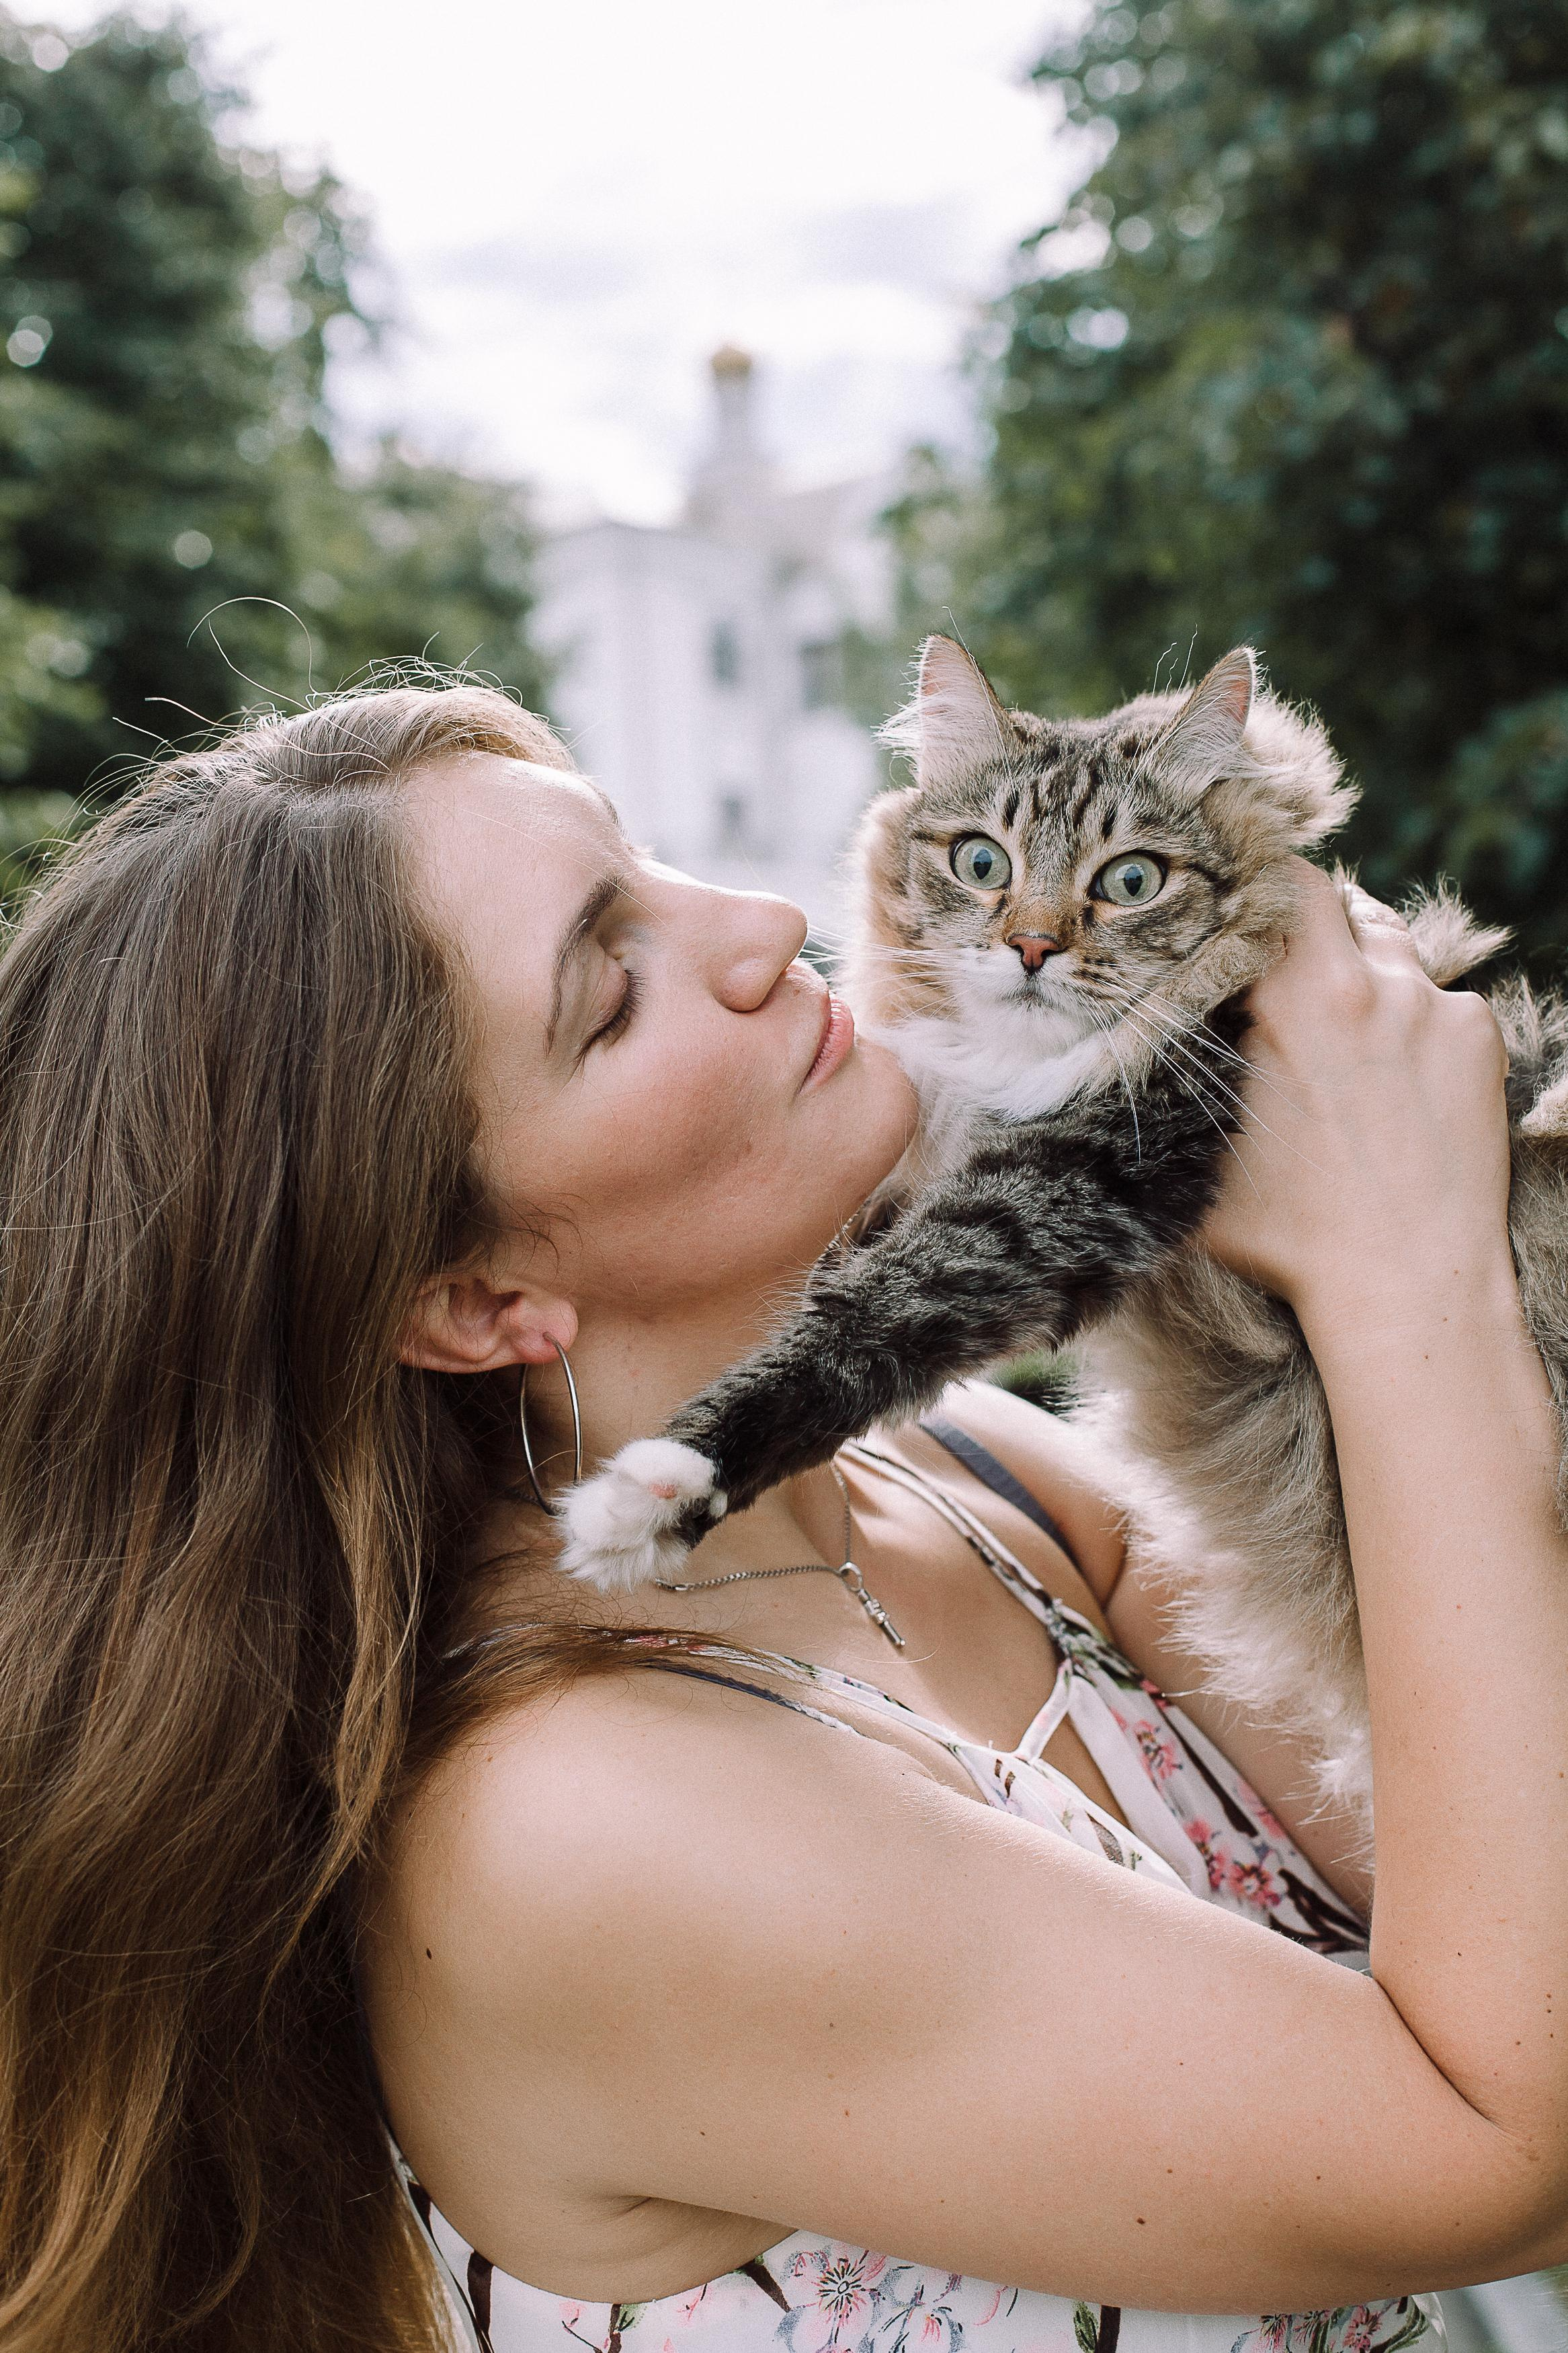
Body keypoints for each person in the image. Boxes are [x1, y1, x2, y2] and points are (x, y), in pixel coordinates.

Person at [0, 683, 1562, 2353]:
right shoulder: (579, 1820)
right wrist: (1403, 1262)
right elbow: (1508, 2139)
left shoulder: (950, 1478)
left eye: (646, 862)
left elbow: (1480, 1833)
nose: (763, 925)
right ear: (476, 1299)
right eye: (614, 988)